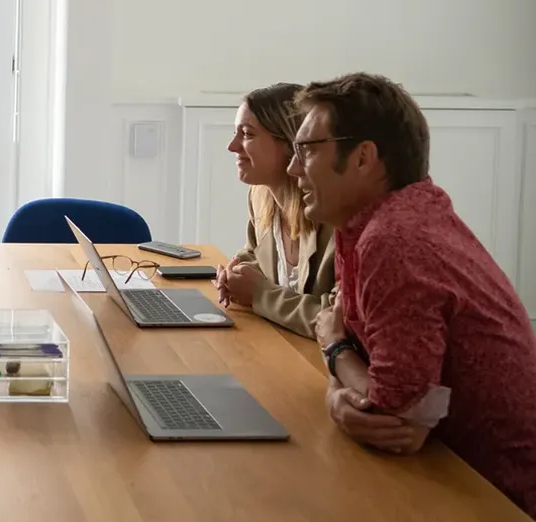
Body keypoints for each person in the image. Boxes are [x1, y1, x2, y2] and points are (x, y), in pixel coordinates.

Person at [291, 73, 536, 518]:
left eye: (307, 151)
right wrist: (339, 380)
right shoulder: (369, 224)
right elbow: (362, 362)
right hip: (444, 466)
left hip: (493, 494)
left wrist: (333, 350)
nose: (294, 169)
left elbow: (390, 415)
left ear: (363, 157)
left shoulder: (395, 239)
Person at [214, 83, 335, 338]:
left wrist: (260, 294)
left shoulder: (336, 217)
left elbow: (337, 322)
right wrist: (235, 274)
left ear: (291, 143)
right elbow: (254, 253)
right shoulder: (260, 195)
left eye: (246, 134)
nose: (232, 146)